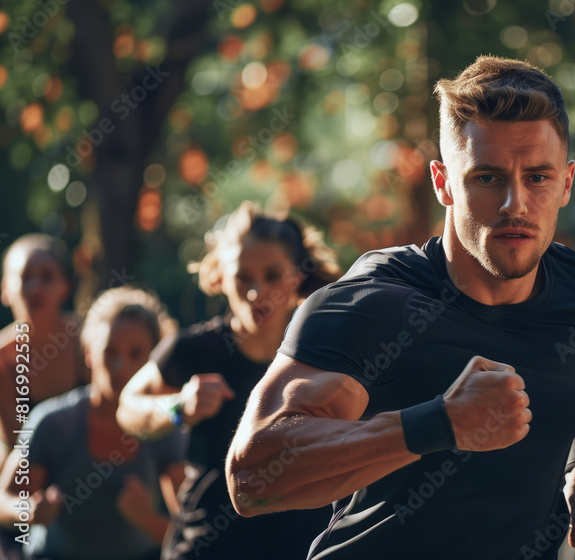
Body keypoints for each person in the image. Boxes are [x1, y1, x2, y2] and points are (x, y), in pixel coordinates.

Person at [226, 55, 575, 560]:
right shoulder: (374, 305)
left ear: (567, 183)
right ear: (443, 182)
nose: (515, 203)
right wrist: (438, 424)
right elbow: (252, 480)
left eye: (537, 177)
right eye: (487, 178)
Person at [116, 202, 341, 560]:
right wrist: (178, 405)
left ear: (297, 277)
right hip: (205, 546)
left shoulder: (330, 351)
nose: (256, 293)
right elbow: (128, 406)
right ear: (221, 277)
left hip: (304, 549)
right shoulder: (193, 350)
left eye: (272, 275)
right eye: (243, 278)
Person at [0, 286, 185, 560]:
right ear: (88, 354)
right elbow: (4, 500)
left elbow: (189, 530)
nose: (120, 367)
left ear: (154, 362)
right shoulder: (52, 422)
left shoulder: (166, 427)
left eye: (136, 354)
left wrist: (146, 519)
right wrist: (29, 510)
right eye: (110, 352)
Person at [0, 235, 88, 452]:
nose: (35, 288)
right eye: (25, 277)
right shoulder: (2, 359)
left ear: (65, 286)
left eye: (46, 277)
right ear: (5, 291)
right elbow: (18, 447)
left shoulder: (89, 340)